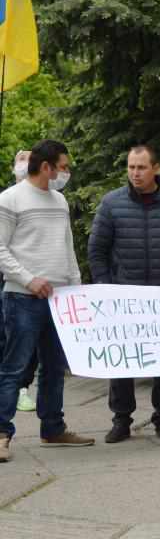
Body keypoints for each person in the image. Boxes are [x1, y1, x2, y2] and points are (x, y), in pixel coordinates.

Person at [88, 145, 160, 443]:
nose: (135, 173)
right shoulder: (111, 203)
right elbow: (96, 250)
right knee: (123, 360)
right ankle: (121, 420)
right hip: (124, 295)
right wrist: (105, 286)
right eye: (130, 167)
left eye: (141, 167)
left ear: (156, 168)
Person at [0, 140, 95, 463]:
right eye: (63, 166)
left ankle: (53, 428)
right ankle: (1, 434)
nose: (65, 172)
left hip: (60, 300)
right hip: (22, 298)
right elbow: (1, 250)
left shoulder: (60, 202)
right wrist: (29, 279)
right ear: (46, 167)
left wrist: (76, 287)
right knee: (14, 367)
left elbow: (66, 247)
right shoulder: (10, 200)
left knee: (54, 368)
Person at [0, 151, 38, 414]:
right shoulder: (7, 199)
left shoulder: (49, 199)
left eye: (29, 159)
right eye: (21, 159)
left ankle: (23, 388)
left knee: (26, 345)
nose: (25, 164)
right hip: (11, 282)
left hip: (29, 286)